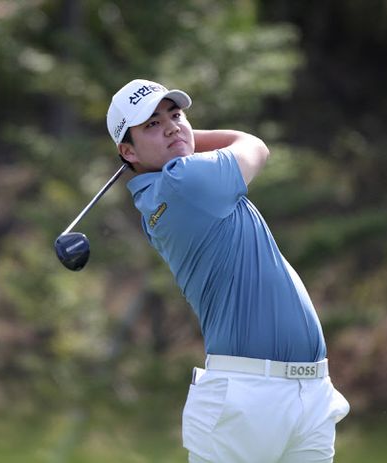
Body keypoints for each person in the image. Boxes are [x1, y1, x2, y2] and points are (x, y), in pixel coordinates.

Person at [106, 78, 350, 463]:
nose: (171, 127)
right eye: (152, 124)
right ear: (127, 151)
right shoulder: (185, 181)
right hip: (247, 395)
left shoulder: (167, 189)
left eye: (176, 115)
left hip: (307, 391)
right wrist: (187, 138)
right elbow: (254, 145)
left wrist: (171, 139)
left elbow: (184, 147)